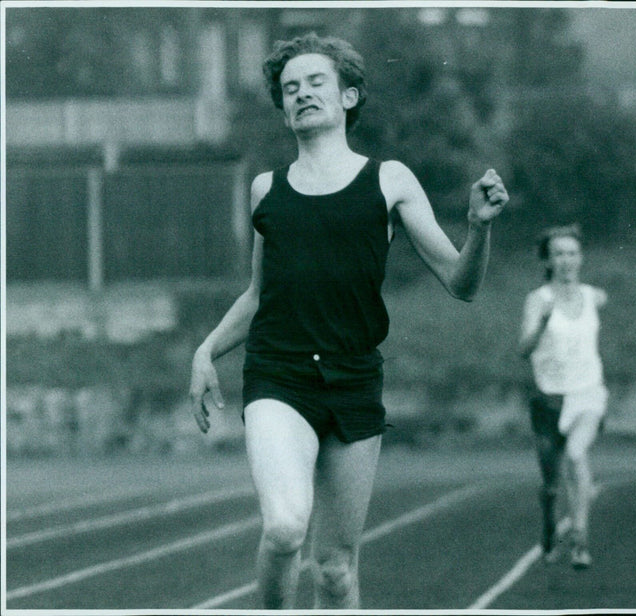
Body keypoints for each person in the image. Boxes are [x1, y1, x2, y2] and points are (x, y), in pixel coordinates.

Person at [189, 33, 508, 609]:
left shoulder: (389, 180)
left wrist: (479, 226)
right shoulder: (268, 189)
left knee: (335, 571)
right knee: (285, 528)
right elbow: (260, 295)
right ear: (284, 109)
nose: (302, 95)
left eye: (316, 83)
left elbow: (461, 283)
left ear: (349, 96)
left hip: (355, 380)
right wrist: (205, 351)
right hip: (279, 376)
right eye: (290, 89)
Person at [518, 224, 607, 570]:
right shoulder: (536, 300)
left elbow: (601, 301)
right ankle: (549, 521)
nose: (566, 260)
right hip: (549, 398)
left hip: (588, 393)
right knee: (551, 484)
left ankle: (580, 538)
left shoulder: (594, 296)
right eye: (559, 254)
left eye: (572, 253)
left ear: (581, 258)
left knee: (577, 453)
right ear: (548, 260)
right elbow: (523, 350)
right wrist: (540, 324)